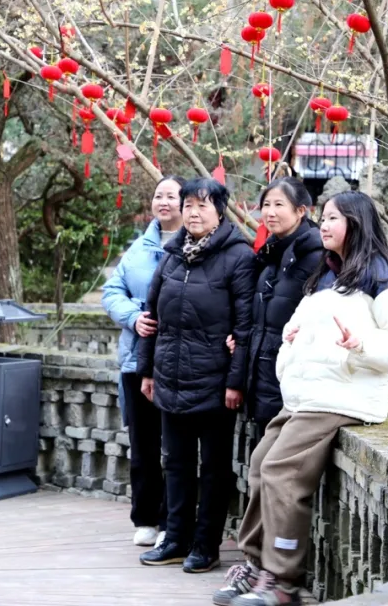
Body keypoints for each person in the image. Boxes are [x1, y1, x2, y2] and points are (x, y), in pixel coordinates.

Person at [215, 191, 388, 606]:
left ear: (357, 223)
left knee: (281, 471)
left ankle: (282, 579)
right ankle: (257, 565)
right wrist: (293, 345)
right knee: (260, 464)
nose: (324, 225)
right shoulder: (329, 273)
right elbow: (304, 330)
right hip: (308, 396)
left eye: (333, 218)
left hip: (343, 397)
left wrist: (360, 345)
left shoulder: (385, 275)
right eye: (324, 217)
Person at [136, 177, 257, 574]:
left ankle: (206, 545)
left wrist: (236, 382)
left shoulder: (238, 257)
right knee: (176, 463)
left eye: (203, 205)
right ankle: (175, 538)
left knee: (216, 469)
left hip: (215, 384)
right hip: (169, 378)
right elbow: (152, 318)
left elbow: (244, 328)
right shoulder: (172, 255)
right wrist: (147, 370)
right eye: (188, 204)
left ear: (220, 211)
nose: (193, 211)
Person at [101, 175, 185, 547]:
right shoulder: (139, 248)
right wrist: (136, 315)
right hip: (138, 361)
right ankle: (145, 518)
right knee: (143, 445)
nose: (163, 201)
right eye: (158, 195)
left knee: (177, 447)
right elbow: (111, 291)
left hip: (178, 362)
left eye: (171, 196)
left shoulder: (195, 245)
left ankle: (172, 520)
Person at [229, 178, 324, 434]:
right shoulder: (271, 252)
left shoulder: (315, 256)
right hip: (263, 374)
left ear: (301, 210)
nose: (270, 212)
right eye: (266, 204)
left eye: (279, 204)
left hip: (290, 377)